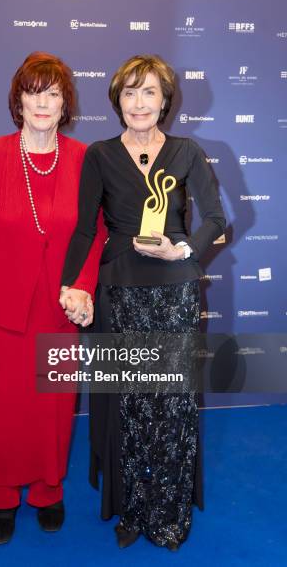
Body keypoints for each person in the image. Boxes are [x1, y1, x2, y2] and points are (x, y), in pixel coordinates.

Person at [61, 54, 226, 550]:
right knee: (128, 406)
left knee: (171, 406)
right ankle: (132, 507)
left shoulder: (187, 152)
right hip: (119, 292)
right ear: (117, 100)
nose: (139, 102)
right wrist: (72, 283)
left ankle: (170, 511)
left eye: (149, 92)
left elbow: (216, 220)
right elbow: (86, 227)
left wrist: (183, 248)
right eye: (129, 92)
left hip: (174, 290)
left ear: (165, 101)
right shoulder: (100, 155)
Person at [0, 52, 106, 544]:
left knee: (52, 411)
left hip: (57, 313)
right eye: (33, 92)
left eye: (53, 93)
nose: (42, 102)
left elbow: (96, 233)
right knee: (0, 411)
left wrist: (83, 286)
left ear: (65, 104)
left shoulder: (83, 160)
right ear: (18, 100)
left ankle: (47, 490)